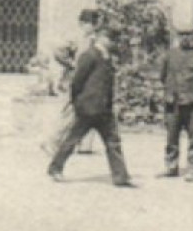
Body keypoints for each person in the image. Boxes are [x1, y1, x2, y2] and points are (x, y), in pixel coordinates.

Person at [46, 13, 134, 186]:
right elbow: (77, 81)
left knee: (113, 142)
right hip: (87, 109)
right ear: (102, 39)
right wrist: (77, 102)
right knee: (72, 139)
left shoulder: (106, 57)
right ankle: (55, 168)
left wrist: (109, 104)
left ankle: (121, 177)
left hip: (104, 110)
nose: (113, 43)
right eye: (110, 39)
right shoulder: (89, 55)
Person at [159, 27, 193, 181]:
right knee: (171, 137)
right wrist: (171, 92)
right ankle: (171, 166)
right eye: (182, 34)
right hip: (173, 103)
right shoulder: (169, 56)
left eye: (188, 35)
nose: (185, 38)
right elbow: (162, 76)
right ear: (177, 36)